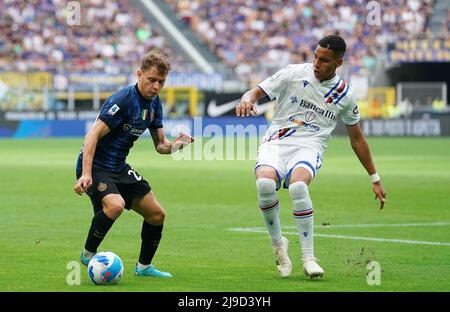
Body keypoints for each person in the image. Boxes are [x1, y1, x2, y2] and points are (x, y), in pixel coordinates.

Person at [235, 35, 386, 278]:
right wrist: (246, 99)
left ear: (338, 63)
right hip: (277, 140)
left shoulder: (344, 95)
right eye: (315, 57)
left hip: (309, 145)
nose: (316, 63)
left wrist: (375, 178)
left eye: (324, 60)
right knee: (264, 183)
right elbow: (256, 92)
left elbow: (357, 139)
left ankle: (309, 258)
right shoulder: (293, 73)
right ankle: (278, 244)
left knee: (297, 187)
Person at [74, 50, 193, 278]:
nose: (156, 86)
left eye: (161, 82)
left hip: (118, 167)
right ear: (139, 74)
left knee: (157, 214)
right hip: (96, 165)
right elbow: (91, 137)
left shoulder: (155, 104)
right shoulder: (123, 100)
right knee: (115, 205)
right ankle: (88, 254)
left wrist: (178, 145)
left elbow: (160, 146)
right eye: (152, 80)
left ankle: (144, 267)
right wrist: (86, 174)